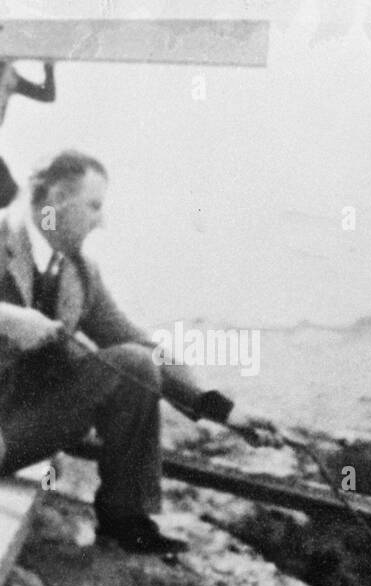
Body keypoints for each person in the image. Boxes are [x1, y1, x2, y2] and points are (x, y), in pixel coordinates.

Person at [0, 149, 273, 555]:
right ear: (56, 197)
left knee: (134, 362)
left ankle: (124, 519)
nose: (101, 220)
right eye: (93, 206)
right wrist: (8, 318)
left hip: (16, 431)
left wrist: (221, 409)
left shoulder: (80, 273)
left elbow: (140, 344)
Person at [0, 62, 56, 207]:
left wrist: (49, 66)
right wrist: (49, 66)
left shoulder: (8, 77)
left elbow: (47, 95)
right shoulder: (8, 77)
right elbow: (47, 95)